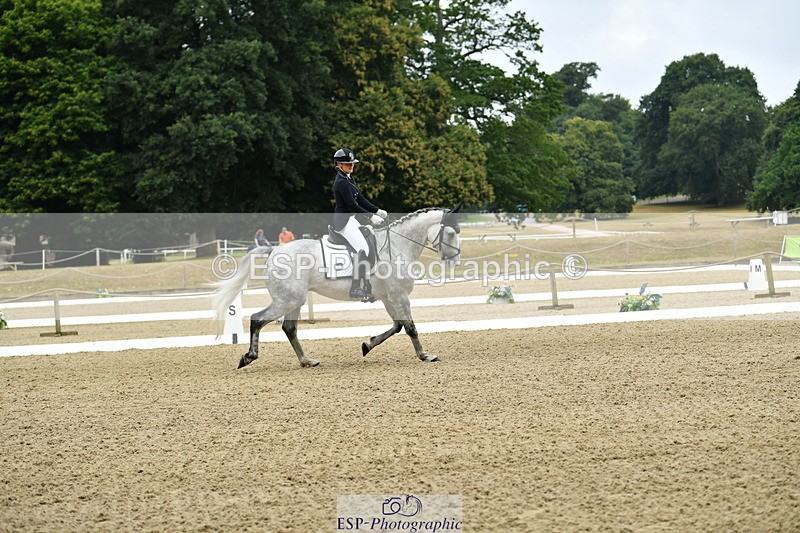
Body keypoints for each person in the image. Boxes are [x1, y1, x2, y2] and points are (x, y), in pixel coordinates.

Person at [331, 148, 387, 300]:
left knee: (369, 241)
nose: (351, 166)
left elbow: (360, 199)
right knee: (362, 249)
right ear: (339, 165)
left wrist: (377, 210)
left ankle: (368, 282)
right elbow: (352, 206)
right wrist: (371, 217)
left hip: (350, 219)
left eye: (352, 163)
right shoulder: (341, 182)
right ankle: (355, 287)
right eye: (347, 164)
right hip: (343, 221)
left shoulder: (349, 179)